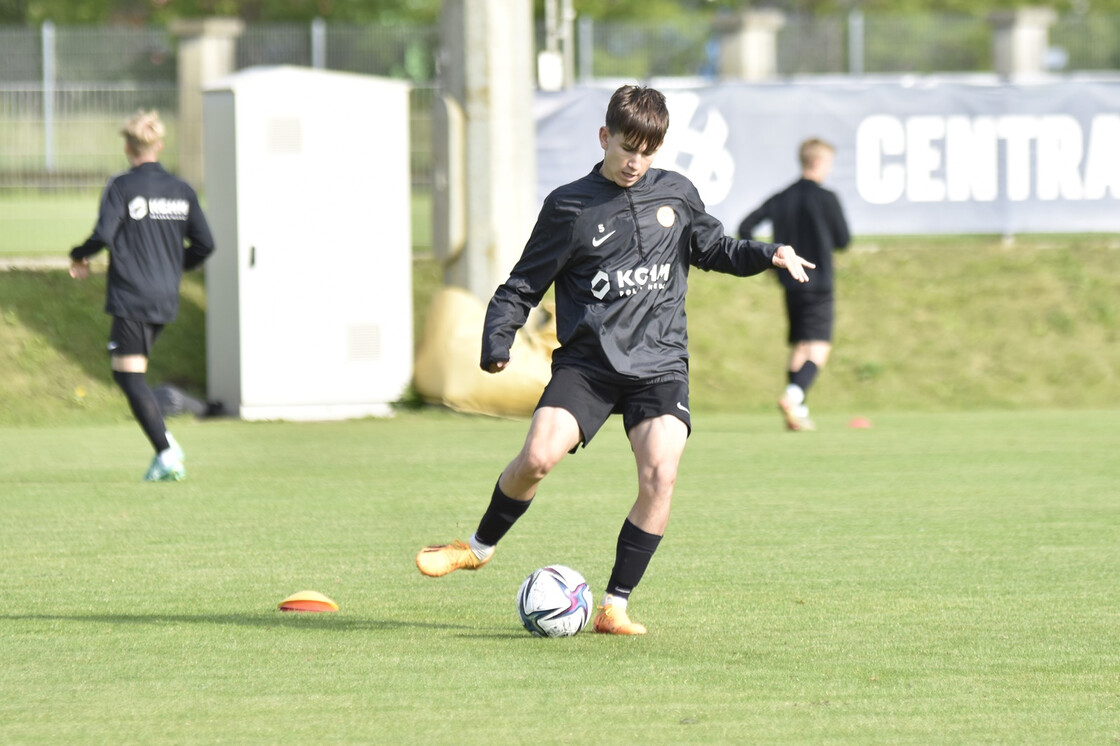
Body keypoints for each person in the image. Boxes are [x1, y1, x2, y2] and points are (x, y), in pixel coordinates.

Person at [415, 85, 814, 634]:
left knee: (661, 474)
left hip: (660, 365)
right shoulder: (569, 206)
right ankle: (477, 548)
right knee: (536, 457)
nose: (636, 162)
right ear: (605, 137)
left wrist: (769, 253)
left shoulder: (676, 194)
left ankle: (614, 606)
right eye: (628, 148)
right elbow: (522, 284)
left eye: (648, 152)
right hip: (589, 365)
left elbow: (716, 248)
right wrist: (497, 340)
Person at [68, 109, 215, 481]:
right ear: (159, 146)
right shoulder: (182, 190)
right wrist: (173, 266)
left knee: (129, 379)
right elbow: (205, 244)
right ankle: (165, 445)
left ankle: (166, 451)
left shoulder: (121, 186)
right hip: (164, 296)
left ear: (128, 146)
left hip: (132, 295)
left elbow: (103, 235)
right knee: (133, 377)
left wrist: (78, 255)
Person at [738, 138, 850, 431]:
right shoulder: (827, 198)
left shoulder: (782, 197)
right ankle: (793, 395)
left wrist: (767, 262)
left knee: (800, 345)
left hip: (790, 283)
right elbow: (843, 240)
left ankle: (797, 410)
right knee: (819, 347)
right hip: (820, 281)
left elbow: (746, 226)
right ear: (817, 162)